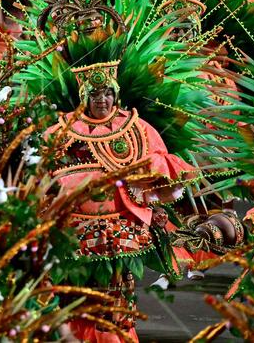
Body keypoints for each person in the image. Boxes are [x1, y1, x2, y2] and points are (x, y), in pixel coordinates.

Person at [47, 61, 197, 342]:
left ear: (115, 96)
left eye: (106, 94)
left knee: (116, 291)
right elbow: (43, 171)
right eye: (94, 95)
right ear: (84, 98)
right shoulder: (63, 130)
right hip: (75, 228)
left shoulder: (137, 129)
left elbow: (158, 169)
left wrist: (151, 203)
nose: (101, 100)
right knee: (74, 292)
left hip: (121, 228)